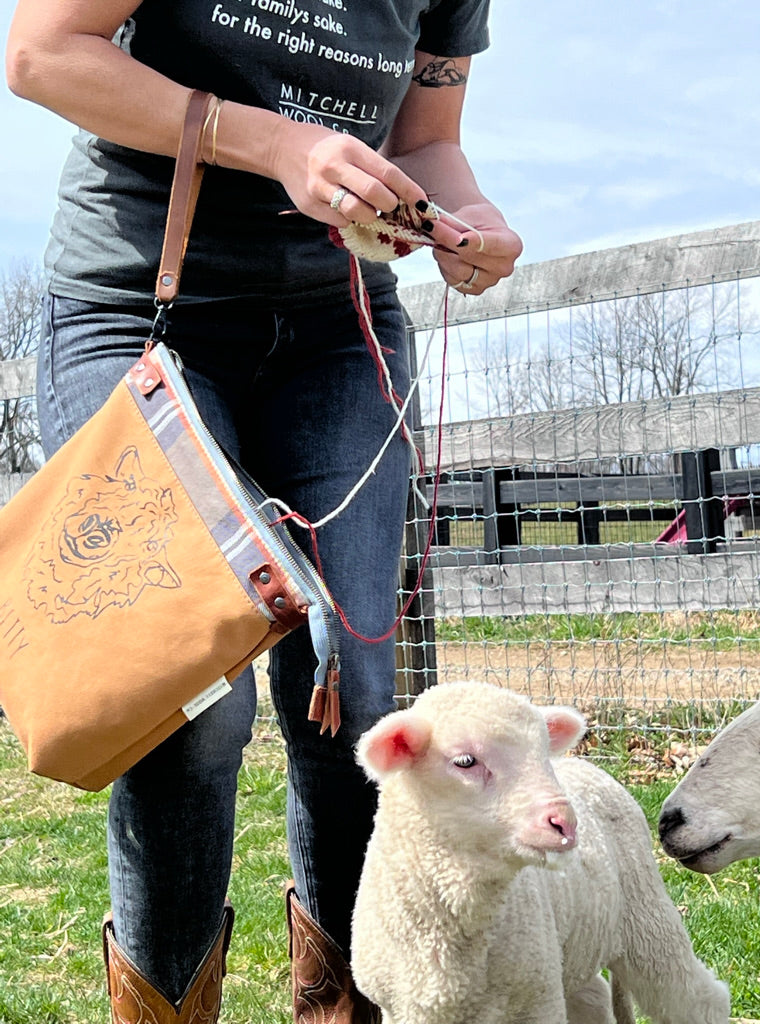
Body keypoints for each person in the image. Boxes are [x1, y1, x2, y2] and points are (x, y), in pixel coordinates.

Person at [6, 2, 522, 1022]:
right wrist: (275, 142)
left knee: (357, 698)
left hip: (338, 331)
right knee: (193, 703)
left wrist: (473, 220)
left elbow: (427, 141)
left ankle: (346, 1002)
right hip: (139, 308)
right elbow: (37, 52)